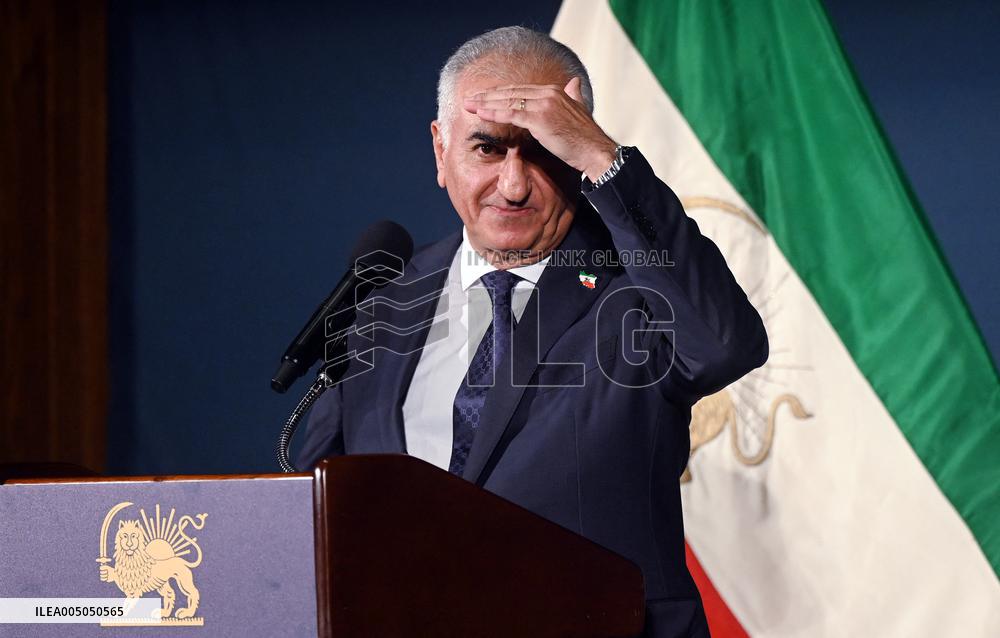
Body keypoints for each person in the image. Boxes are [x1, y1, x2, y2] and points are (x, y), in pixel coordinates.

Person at [296, 26, 767, 638]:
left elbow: (725, 345)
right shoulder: (386, 297)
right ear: (441, 151)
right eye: (488, 149)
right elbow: (314, 503)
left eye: (543, 152)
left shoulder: (638, 292)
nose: (514, 185)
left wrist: (605, 161)